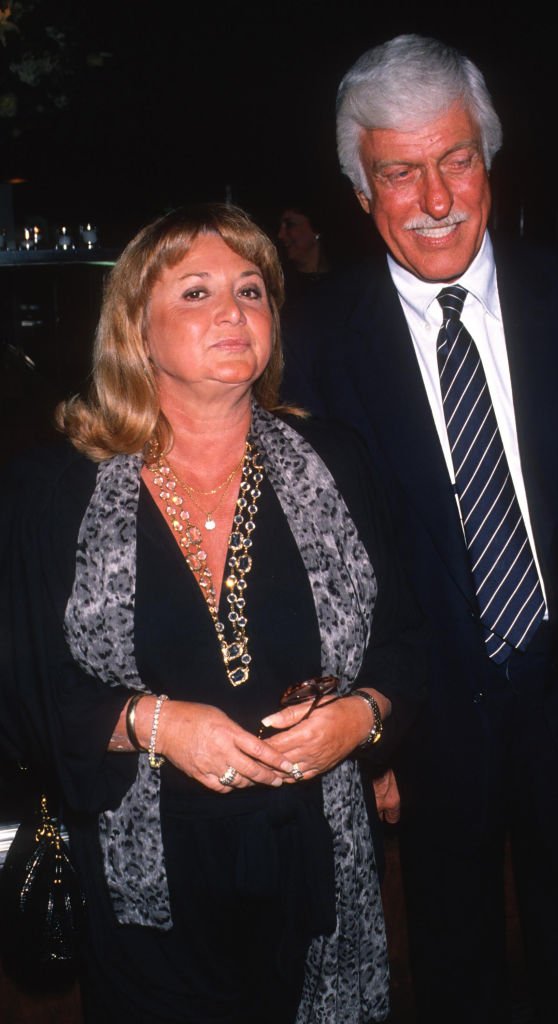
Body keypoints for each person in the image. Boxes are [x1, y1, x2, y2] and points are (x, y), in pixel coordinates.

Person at [281, 34, 558, 1024]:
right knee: (453, 962)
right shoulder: (314, 339)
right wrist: (363, 739)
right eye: (398, 171)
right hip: (424, 723)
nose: (434, 196)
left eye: (454, 159)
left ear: (488, 159)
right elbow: (316, 562)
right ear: (360, 192)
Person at [4, 202, 424, 1023]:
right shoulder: (53, 489)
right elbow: (26, 695)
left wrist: (364, 719)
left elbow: (407, 640)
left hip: (316, 858)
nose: (234, 310)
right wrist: (155, 722)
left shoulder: (337, 460)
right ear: (137, 329)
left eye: (252, 290)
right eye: (196, 293)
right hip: (145, 880)